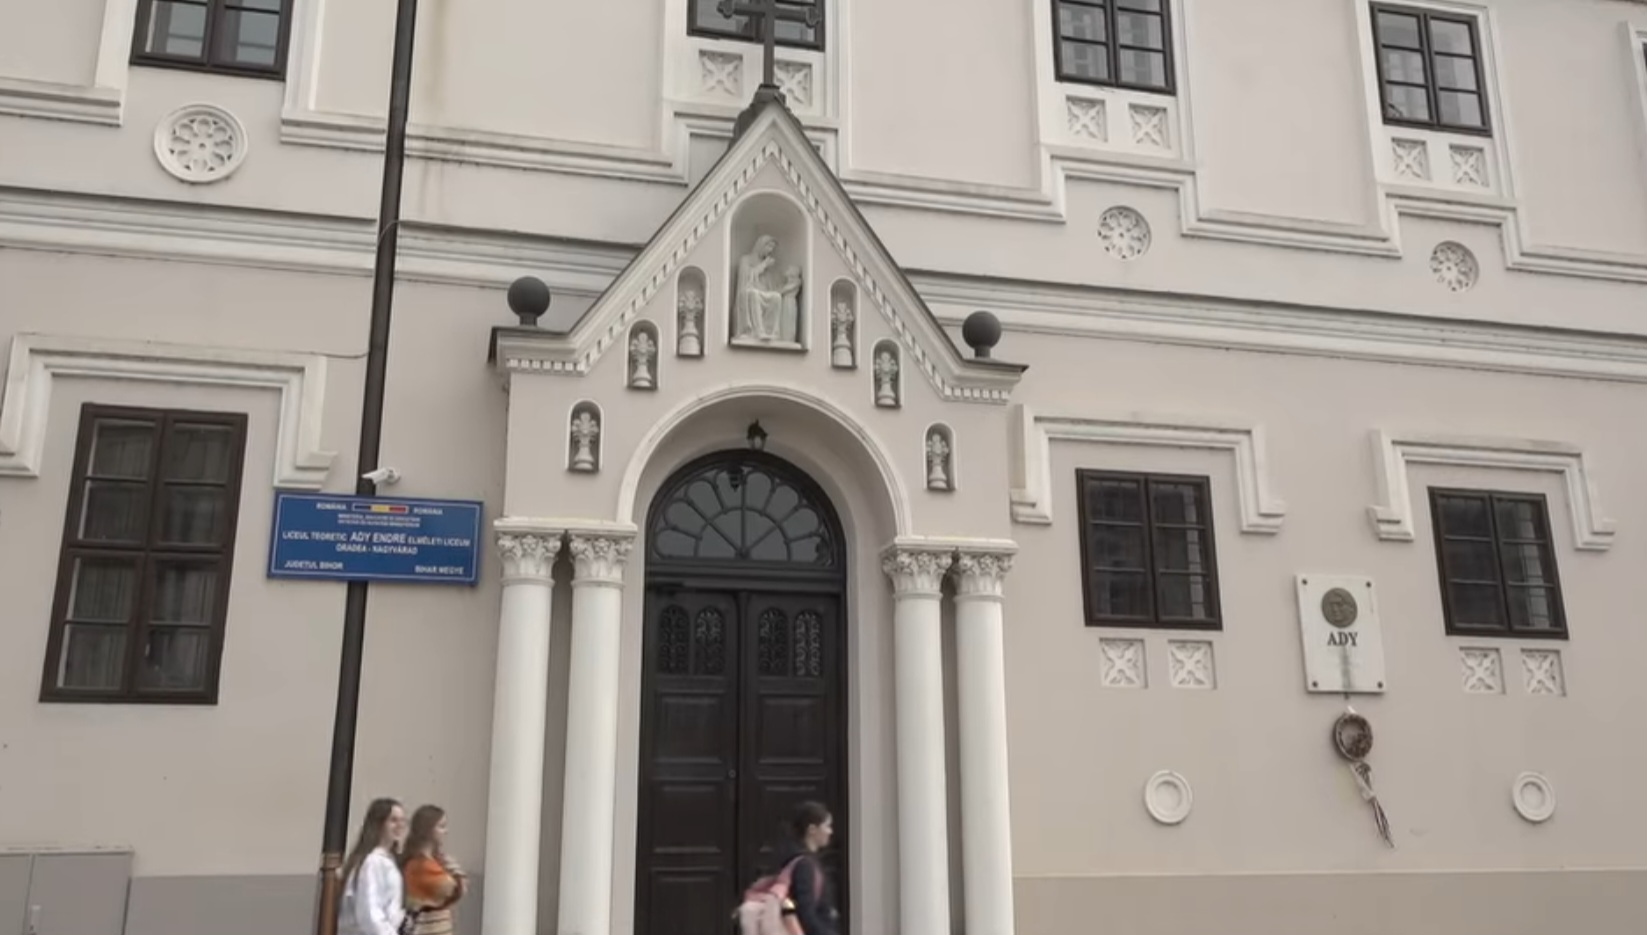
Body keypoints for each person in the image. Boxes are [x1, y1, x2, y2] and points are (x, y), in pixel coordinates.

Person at [338, 798, 408, 935]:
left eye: (402, 821)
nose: (399, 825)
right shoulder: (373, 862)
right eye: (393, 820)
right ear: (379, 824)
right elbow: (370, 912)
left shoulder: (388, 860)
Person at [770, 801, 838, 935]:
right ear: (812, 829)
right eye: (827, 826)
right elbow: (806, 913)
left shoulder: (794, 860)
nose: (830, 832)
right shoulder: (805, 865)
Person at [400, 805, 466, 935]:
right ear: (428, 830)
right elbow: (454, 889)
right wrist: (455, 874)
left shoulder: (436, 861)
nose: (445, 831)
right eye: (441, 826)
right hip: (426, 929)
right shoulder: (420, 864)